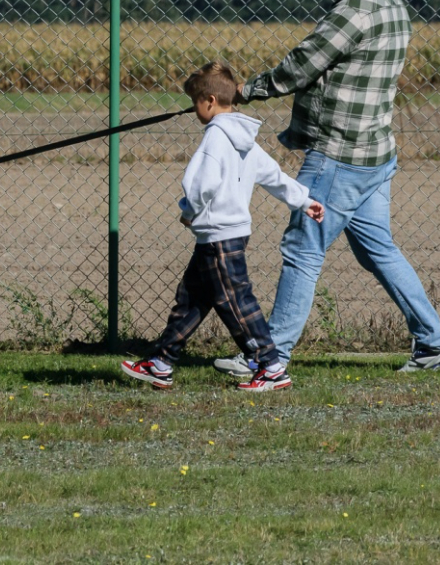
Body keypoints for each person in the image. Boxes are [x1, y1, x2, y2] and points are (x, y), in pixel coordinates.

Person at [213, 0, 440, 378]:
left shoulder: (356, 9)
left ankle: (270, 357)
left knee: (302, 251)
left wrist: (244, 91)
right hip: (376, 154)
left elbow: (303, 64)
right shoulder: (395, 6)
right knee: (378, 250)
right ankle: (433, 344)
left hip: (339, 156)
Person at [121, 61, 325, 392]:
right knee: (191, 301)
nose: (195, 110)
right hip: (226, 234)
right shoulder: (243, 137)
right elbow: (272, 174)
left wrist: (188, 210)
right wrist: (303, 199)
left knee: (236, 303)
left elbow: (200, 184)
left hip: (219, 235)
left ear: (211, 101)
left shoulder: (216, 136)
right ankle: (160, 362)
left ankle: (270, 366)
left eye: (195, 103)